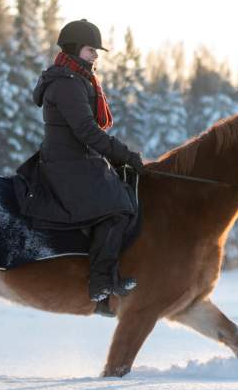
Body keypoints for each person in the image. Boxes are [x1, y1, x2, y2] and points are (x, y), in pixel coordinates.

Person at [14, 19, 144, 303]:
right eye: (90, 50)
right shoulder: (66, 84)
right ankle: (101, 282)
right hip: (68, 165)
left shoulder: (77, 80)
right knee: (118, 209)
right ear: (74, 50)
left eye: (96, 51)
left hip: (77, 160)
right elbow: (86, 130)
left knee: (122, 191)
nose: (95, 56)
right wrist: (124, 155)